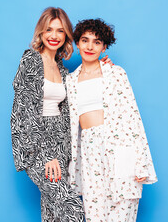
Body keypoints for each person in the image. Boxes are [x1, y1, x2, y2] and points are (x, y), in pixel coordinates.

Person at [66, 18, 158, 221]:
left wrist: (141, 162)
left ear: (104, 46)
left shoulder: (116, 74)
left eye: (97, 42)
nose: (90, 46)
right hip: (89, 154)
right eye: (85, 40)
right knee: (94, 215)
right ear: (77, 43)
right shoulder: (70, 81)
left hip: (119, 148)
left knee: (122, 213)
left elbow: (133, 116)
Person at [10, 7, 85, 222]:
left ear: (66, 35)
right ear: (41, 33)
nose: (54, 36)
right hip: (37, 145)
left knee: (53, 214)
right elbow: (23, 112)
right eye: (49, 30)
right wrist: (46, 153)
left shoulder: (61, 68)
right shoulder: (31, 60)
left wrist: (103, 67)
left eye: (60, 31)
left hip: (60, 143)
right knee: (72, 209)